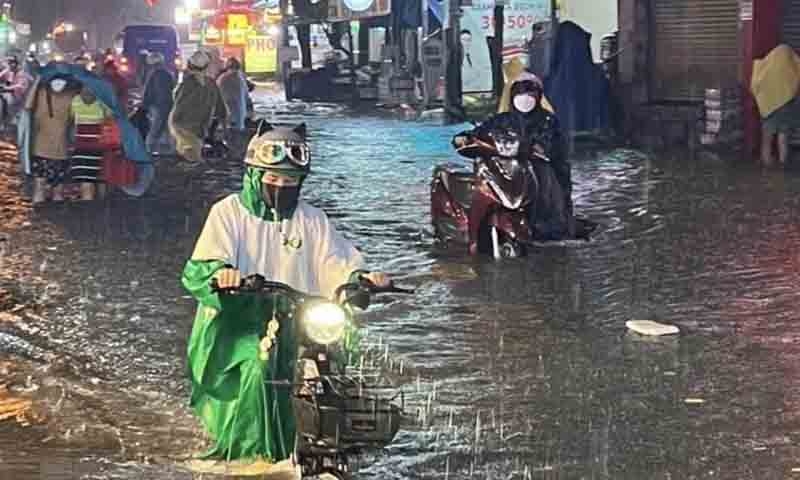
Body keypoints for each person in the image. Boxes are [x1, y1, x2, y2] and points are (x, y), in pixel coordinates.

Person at [181, 122, 391, 461]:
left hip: (301, 316)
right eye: (273, 178)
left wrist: (361, 277)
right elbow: (203, 264)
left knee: (332, 361)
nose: (281, 185)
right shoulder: (228, 213)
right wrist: (222, 275)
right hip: (241, 320)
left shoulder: (312, 219)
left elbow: (335, 260)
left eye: (290, 180)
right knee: (258, 367)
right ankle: (250, 454)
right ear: (254, 174)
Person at [454, 72, 587, 241]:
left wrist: (537, 148)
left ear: (538, 96)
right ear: (512, 96)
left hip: (539, 176)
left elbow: (552, 147)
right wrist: (464, 138)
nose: (525, 98)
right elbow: (480, 132)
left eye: (530, 93)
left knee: (552, 224)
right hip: (506, 173)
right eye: (520, 93)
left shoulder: (547, 120)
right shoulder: (501, 120)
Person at [169, 51, 227, 163]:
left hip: (182, 126)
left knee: (190, 158)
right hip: (196, 129)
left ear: (190, 66)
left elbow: (177, 101)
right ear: (207, 66)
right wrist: (225, 127)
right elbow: (221, 109)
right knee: (193, 157)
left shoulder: (186, 84)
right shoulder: (211, 84)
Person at [27, 76, 76, 204]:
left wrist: (37, 81)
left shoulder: (40, 93)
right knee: (58, 191)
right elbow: (74, 120)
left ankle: (39, 216)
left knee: (39, 188)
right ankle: (56, 218)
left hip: (40, 150)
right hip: (61, 151)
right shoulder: (71, 96)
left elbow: (27, 106)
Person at [752, 44, 800, 167]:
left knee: (767, 136)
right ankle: (783, 162)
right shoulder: (791, 67)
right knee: (783, 135)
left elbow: (755, 85)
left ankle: (766, 160)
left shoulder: (766, 68)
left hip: (768, 106)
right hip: (785, 106)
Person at [69, 84, 112, 201]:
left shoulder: (75, 100)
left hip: (81, 146)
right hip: (99, 146)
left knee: (86, 181)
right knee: (100, 179)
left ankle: (88, 211)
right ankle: (100, 209)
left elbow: (72, 117)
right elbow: (109, 117)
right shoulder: (103, 100)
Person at [141, 52, 175, 155]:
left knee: (155, 129)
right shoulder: (167, 73)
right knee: (167, 128)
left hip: (159, 106)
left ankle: (148, 150)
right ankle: (171, 151)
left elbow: (150, 92)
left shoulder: (155, 74)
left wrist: (145, 104)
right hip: (167, 105)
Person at [0, 54, 34, 129]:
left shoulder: (22, 73)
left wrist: (7, 88)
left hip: (21, 98)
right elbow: (3, 77)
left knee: (9, 100)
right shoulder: (9, 71)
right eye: (9, 63)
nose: (10, 65)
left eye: (12, 63)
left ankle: (9, 123)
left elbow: (20, 86)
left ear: (16, 63)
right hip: (11, 94)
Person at [216, 57, 249, 132]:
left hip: (226, 116)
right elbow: (247, 97)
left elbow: (216, 96)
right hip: (239, 116)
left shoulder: (222, 78)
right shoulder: (241, 78)